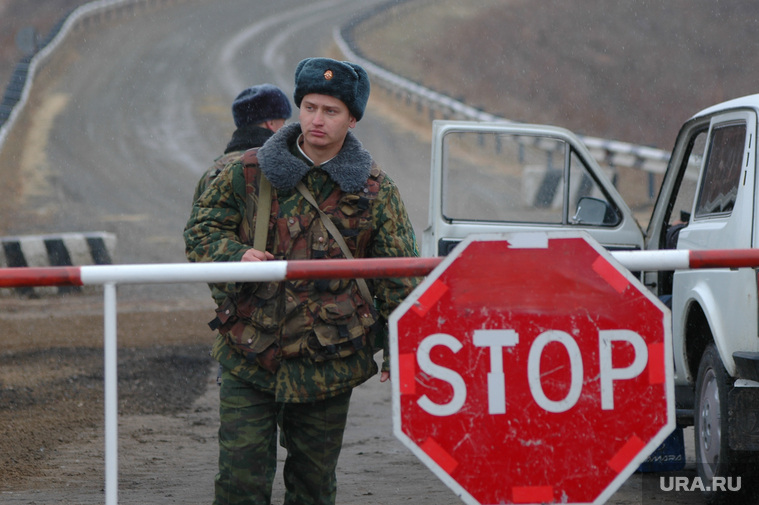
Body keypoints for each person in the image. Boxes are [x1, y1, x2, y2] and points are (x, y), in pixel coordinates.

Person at [184, 57, 420, 505]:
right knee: (240, 485)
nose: (317, 119)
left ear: (352, 119)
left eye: (331, 111)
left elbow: (397, 274)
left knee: (313, 488)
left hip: (328, 362)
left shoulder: (374, 190)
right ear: (297, 109)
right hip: (249, 354)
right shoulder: (248, 171)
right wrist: (235, 254)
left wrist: (402, 346)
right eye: (310, 107)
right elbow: (201, 230)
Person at [192, 83, 292, 202]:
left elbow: (198, 218)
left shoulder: (213, 172)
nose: (285, 128)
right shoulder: (280, 168)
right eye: (283, 122)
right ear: (270, 123)